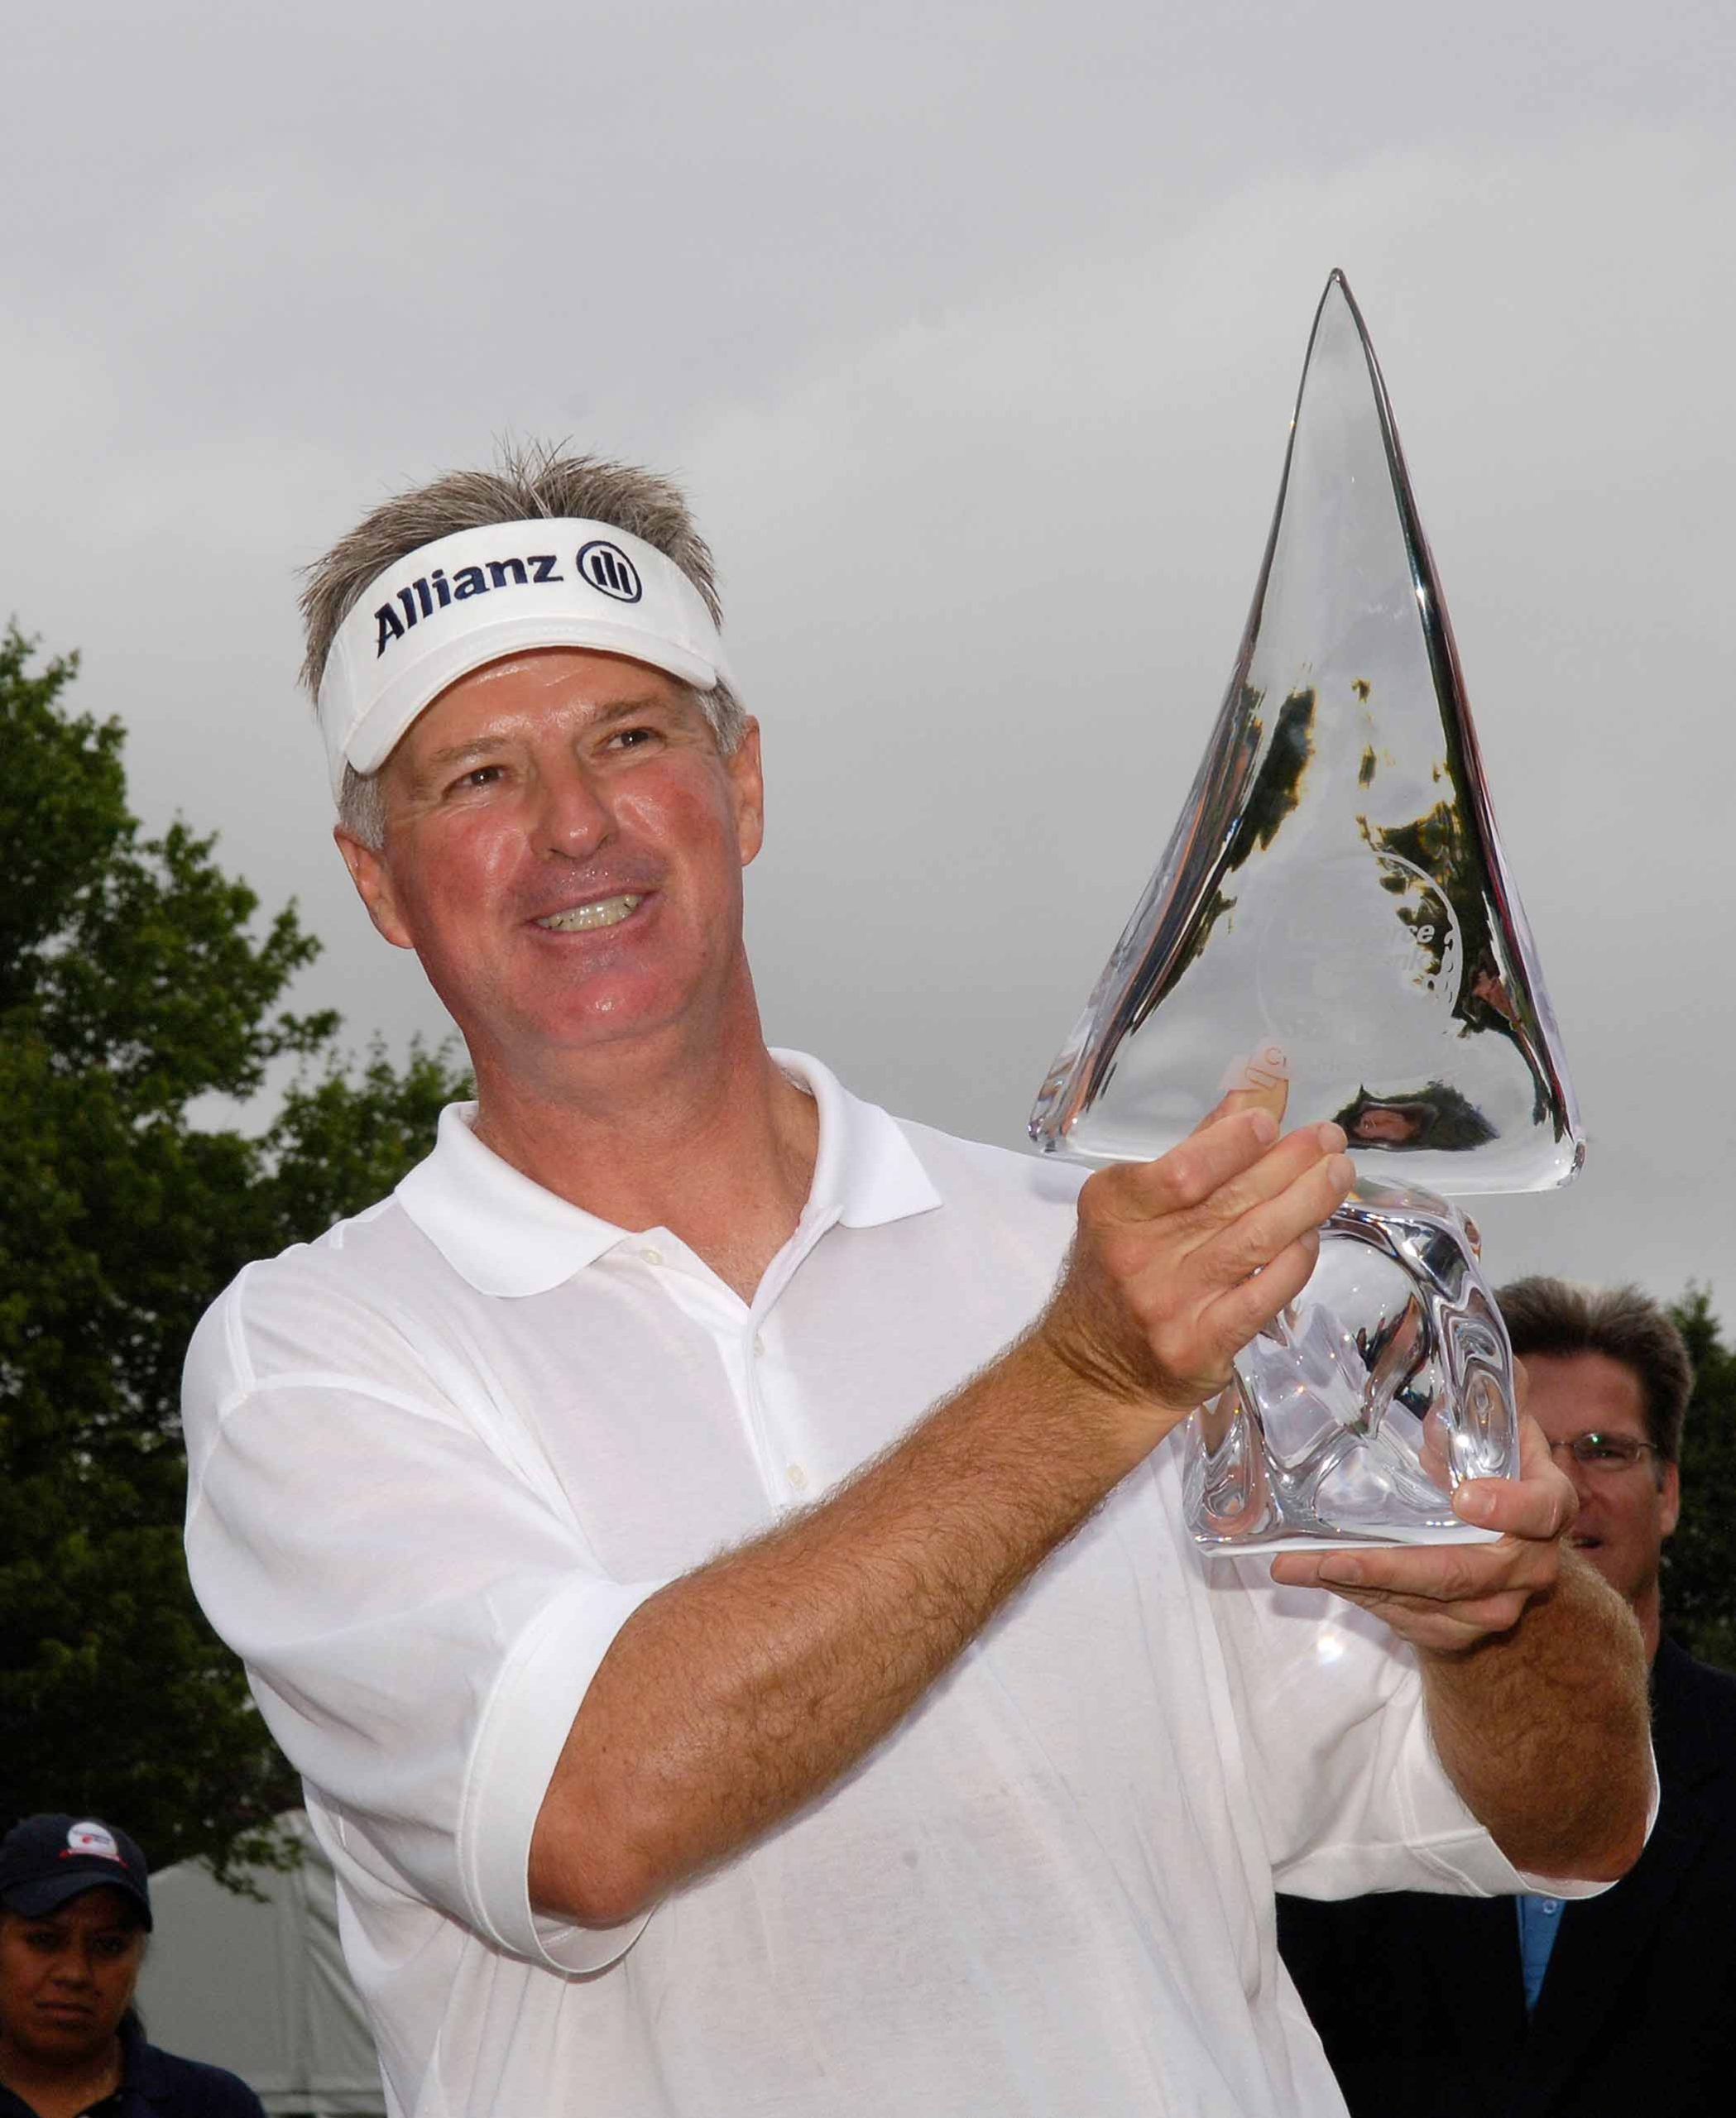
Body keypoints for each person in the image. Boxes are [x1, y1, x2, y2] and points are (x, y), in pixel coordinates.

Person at [180, 444, 1652, 2118]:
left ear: (740, 784)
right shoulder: (315, 1351)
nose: (573, 827)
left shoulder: (1101, 1253)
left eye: (630, 738)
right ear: (380, 880)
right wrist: (1080, 1388)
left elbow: (1565, 1816)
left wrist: (1506, 1614)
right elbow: (584, 1814)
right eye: (476, 779)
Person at [1278, 1277, 1736, 2117]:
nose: (1558, 1484)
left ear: (1667, 1491)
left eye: (1603, 1446)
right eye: (1517, 1441)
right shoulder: (1345, 1751)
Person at [0, 1814, 265, 2118]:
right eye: (45, 1940)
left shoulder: (213, 2105)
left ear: (139, 1957)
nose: (75, 1974)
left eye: (109, 1946)